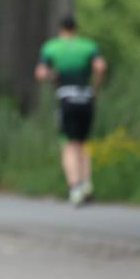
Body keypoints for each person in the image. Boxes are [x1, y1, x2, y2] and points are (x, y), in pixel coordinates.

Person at [35, 16, 107, 206]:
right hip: (86, 97)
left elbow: (40, 73)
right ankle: (86, 184)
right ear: (76, 29)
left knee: (69, 144)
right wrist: (96, 89)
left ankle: (75, 188)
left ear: (61, 29)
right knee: (83, 143)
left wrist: (53, 75)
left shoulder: (52, 47)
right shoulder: (88, 46)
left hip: (66, 97)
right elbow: (100, 67)